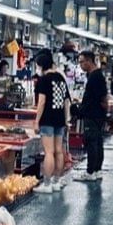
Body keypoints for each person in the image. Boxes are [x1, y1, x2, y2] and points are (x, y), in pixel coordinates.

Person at [33, 51, 71, 193]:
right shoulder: (60, 78)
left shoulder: (44, 80)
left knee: (48, 152)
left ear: (41, 65)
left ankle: (47, 184)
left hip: (47, 119)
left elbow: (41, 102)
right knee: (58, 151)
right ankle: (56, 181)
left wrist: (36, 121)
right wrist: (67, 119)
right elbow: (67, 101)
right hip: (60, 118)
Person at [76, 50, 108, 182]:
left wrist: (82, 110)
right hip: (98, 114)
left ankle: (90, 172)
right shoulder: (96, 75)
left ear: (89, 61)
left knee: (92, 142)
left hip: (93, 115)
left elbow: (102, 98)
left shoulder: (95, 77)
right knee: (98, 142)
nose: (80, 65)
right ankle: (97, 170)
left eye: (82, 62)